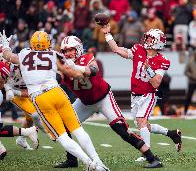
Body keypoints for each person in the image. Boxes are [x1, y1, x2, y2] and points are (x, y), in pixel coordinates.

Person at [0, 30, 108, 171]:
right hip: (57, 93)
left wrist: (5, 45)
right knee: (78, 130)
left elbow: (8, 56)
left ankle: (89, 163)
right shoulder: (53, 54)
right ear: (48, 43)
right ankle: (98, 161)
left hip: (40, 98)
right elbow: (71, 72)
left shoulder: (24, 54)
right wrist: (88, 70)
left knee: (62, 137)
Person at [59, 36, 162, 169]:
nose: (67, 54)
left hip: (103, 98)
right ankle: (72, 159)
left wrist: (76, 67)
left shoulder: (87, 57)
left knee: (121, 129)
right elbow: (58, 78)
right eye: (65, 51)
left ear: (78, 49)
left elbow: (93, 70)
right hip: (84, 102)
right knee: (64, 124)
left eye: (70, 50)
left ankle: (152, 158)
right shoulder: (63, 65)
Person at [100, 25, 182, 162]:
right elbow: (116, 49)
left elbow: (156, 83)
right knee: (143, 125)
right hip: (135, 94)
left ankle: (147, 153)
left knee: (141, 121)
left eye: (150, 38)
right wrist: (108, 34)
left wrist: (149, 70)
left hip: (148, 95)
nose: (147, 40)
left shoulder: (162, 60)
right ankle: (172, 134)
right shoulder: (138, 49)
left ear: (157, 42)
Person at [0, 61, 38, 159]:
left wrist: (13, 91)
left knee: (34, 115)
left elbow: (32, 91)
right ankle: (27, 132)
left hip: (18, 94)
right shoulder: (12, 66)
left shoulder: (35, 74)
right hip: (11, 93)